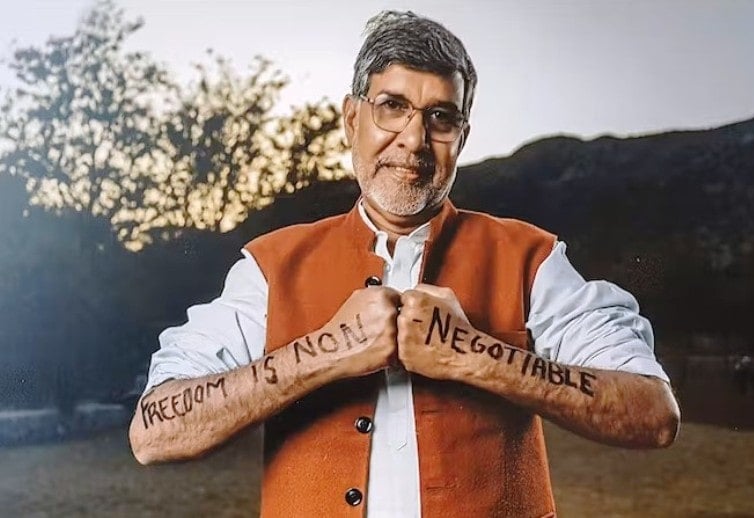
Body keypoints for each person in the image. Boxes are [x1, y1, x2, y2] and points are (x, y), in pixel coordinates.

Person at [129, 10, 680, 517]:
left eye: (441, 117)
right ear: (352, 119)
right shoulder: (270, 268)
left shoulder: (532, 260)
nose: (414, 140)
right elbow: (155, 434)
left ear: (460, 138)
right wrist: (324, 353)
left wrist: (478, 356)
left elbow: (653, 413)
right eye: (392, 107)